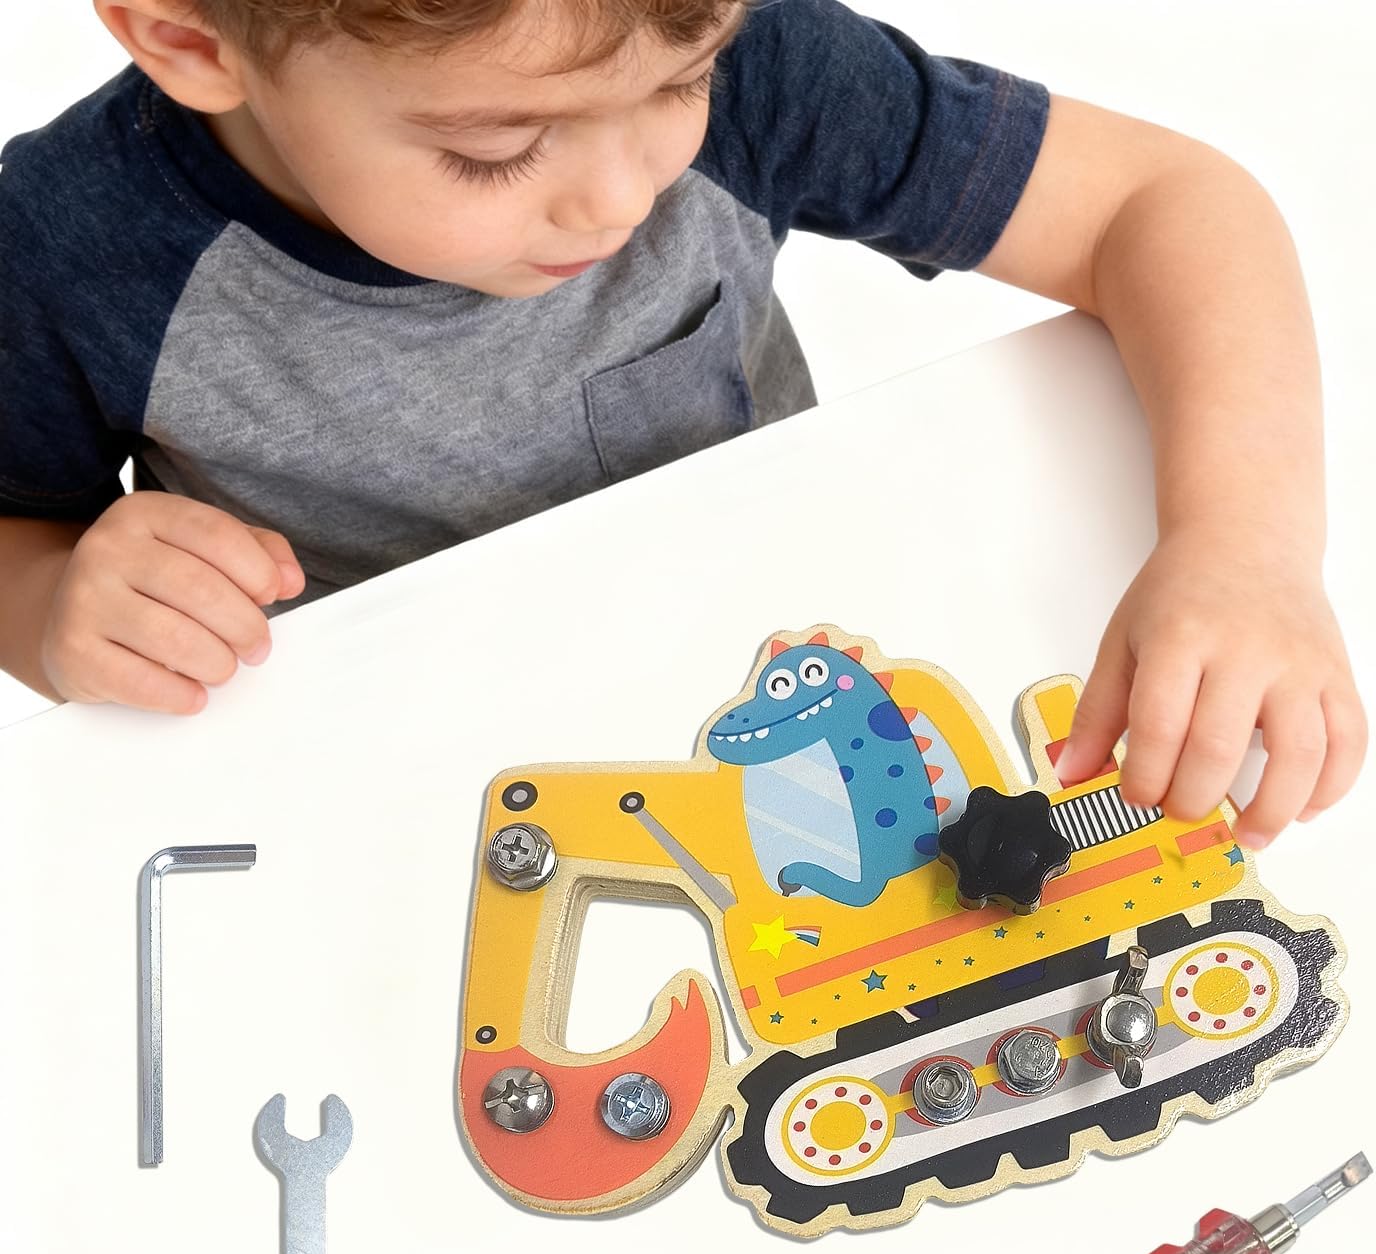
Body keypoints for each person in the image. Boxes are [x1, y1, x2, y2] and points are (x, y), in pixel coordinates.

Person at [0, 0, 1364, 850]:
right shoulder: (59, 251)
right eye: (494, 148)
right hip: (394, 800)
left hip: (799, 697)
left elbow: (1162, 204)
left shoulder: (718, 46)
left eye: (677, 84)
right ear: (190, 37)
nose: (617, 198)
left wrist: (1245, 543)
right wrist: (58, 606)